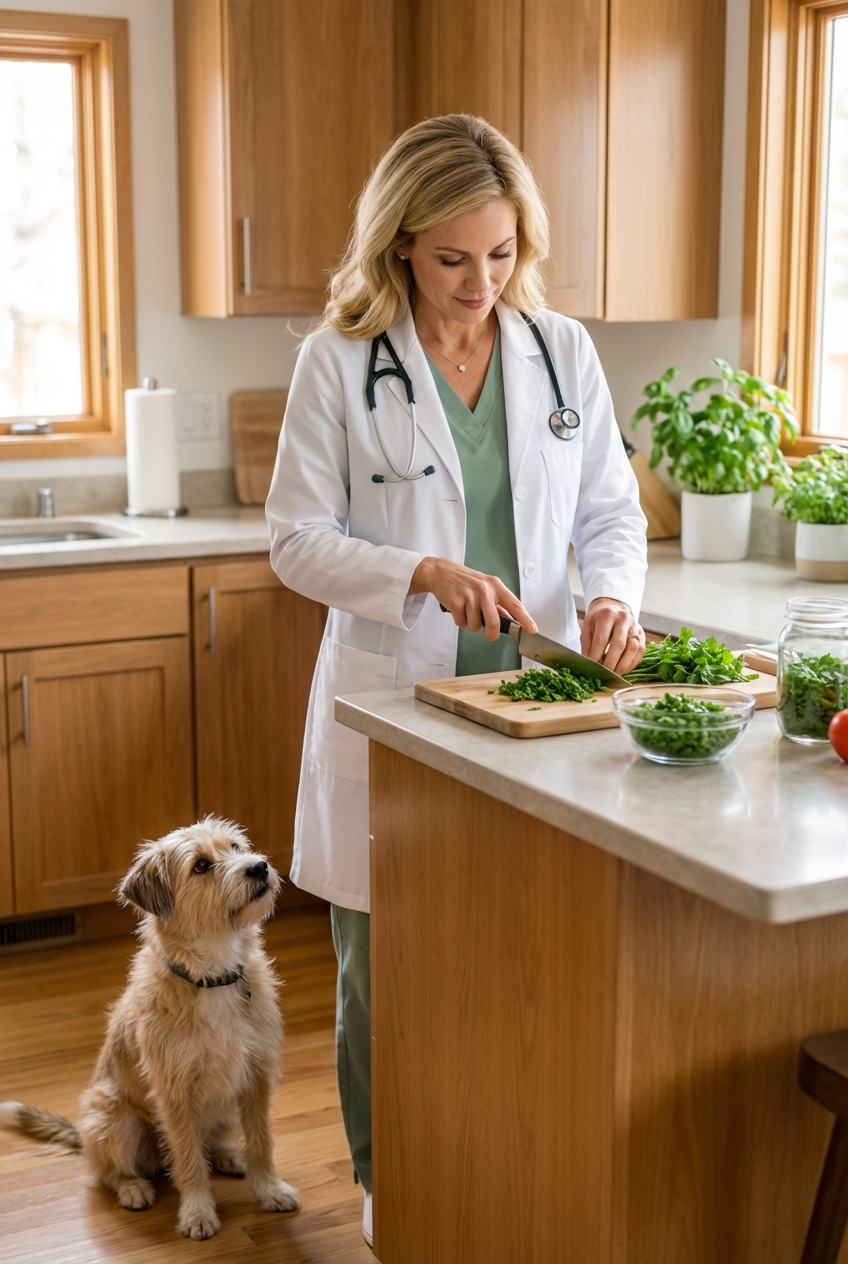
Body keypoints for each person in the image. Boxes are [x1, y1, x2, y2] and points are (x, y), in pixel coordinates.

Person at [266, 113, 647, 1247]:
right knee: (380, 970)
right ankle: (392, 1182)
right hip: (398, 712)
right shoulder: (337, 358)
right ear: (398, 245)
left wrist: (611, 591)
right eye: (450, 258)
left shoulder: (558, 348)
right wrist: (417, 570)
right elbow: (293, 539)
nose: (479, 282)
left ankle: (502, 1160)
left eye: (498, 253)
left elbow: (608, 511)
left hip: (535, 707)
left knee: (518, 957)